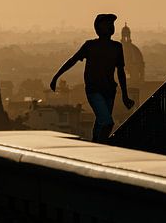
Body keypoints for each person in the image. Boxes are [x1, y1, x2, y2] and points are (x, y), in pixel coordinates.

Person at [50, 14, 135, 142]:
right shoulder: (90, 46)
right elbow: (73, 60)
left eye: (112, 25)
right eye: (108, 25)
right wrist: (56, 76)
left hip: (109, 91)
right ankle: (100, 149)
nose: (111, 27)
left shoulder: (116, 47)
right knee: (107, 122)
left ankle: (96, 143)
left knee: (101, 122)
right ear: (99, 28)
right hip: (94, 90)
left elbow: (121, 72)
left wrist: (124, 95)